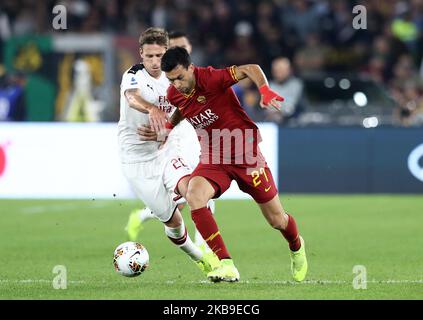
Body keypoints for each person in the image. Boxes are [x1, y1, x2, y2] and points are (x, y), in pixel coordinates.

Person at [159, 47, 308, 283]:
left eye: (180, 77)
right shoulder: (173, 93)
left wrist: (265, 90)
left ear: (190, 68)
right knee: (195, 195)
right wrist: (168, 127)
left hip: (245, 154)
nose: (176, 84)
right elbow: (182, 109)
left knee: (277, 220)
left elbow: (251, 69)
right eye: (171, 80)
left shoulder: (211, 78)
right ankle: (226, 264)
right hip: (213, 157)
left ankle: (296, 245)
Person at [118, 28, 219, 279]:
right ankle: (197, 257)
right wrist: (152, 109)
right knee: (173, 222)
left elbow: (188, 103)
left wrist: (166, 129)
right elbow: (132, 98)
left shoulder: (174, 77)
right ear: (141, 53)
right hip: (137, 160)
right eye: (149, 56)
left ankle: (217, 256)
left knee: (193, 190)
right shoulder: (132, 76)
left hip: (166, 151)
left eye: (159, 56)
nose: (154, 62)